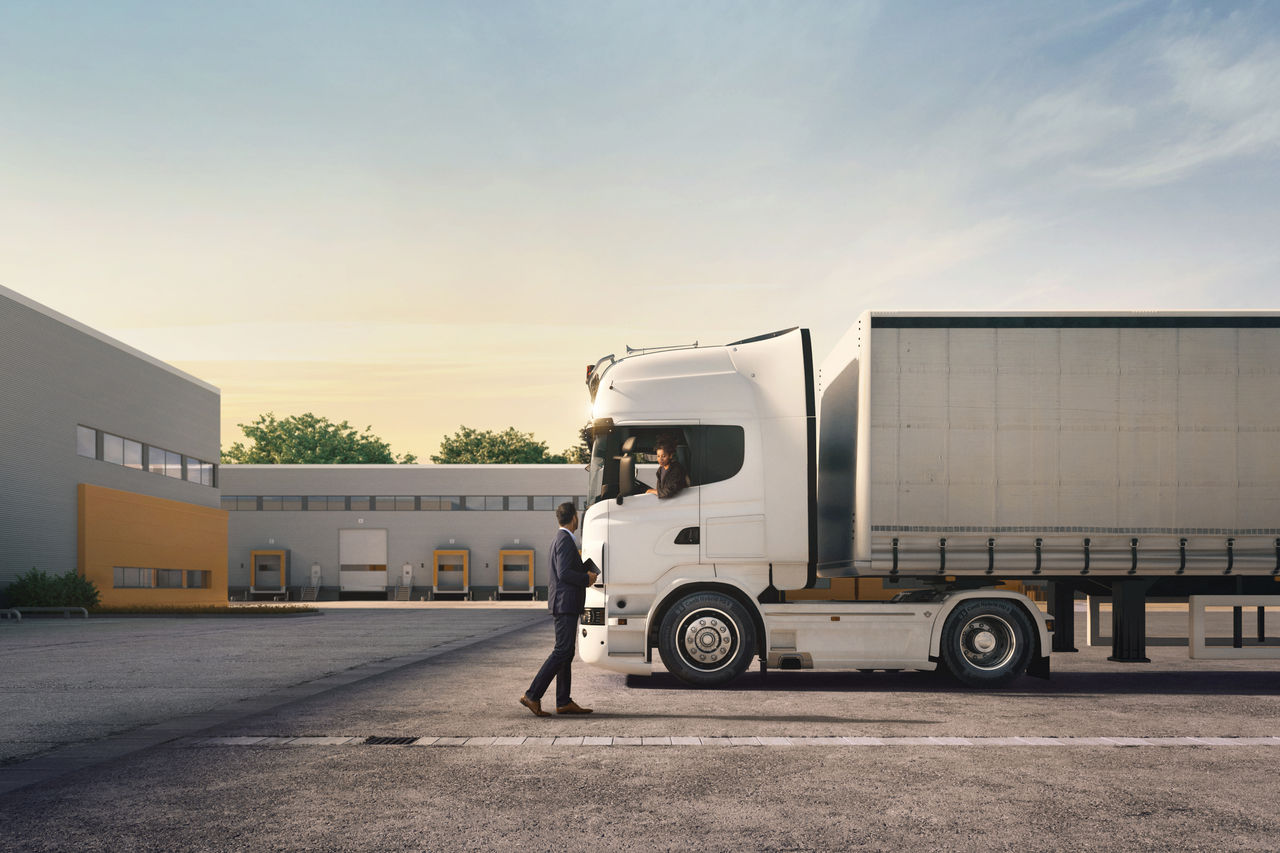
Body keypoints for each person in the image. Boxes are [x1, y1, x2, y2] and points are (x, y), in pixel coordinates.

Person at [519, 502, 598, 716]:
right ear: (574, 518)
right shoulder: (564, 540)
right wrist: (586, 578)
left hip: (564, 603)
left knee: (566, 652)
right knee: (562, 651)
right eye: (578, 516)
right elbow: (564, 573)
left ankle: (563, 701)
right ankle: (532, 695)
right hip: (565, 604)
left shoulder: (561, 539)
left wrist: (583, 570)